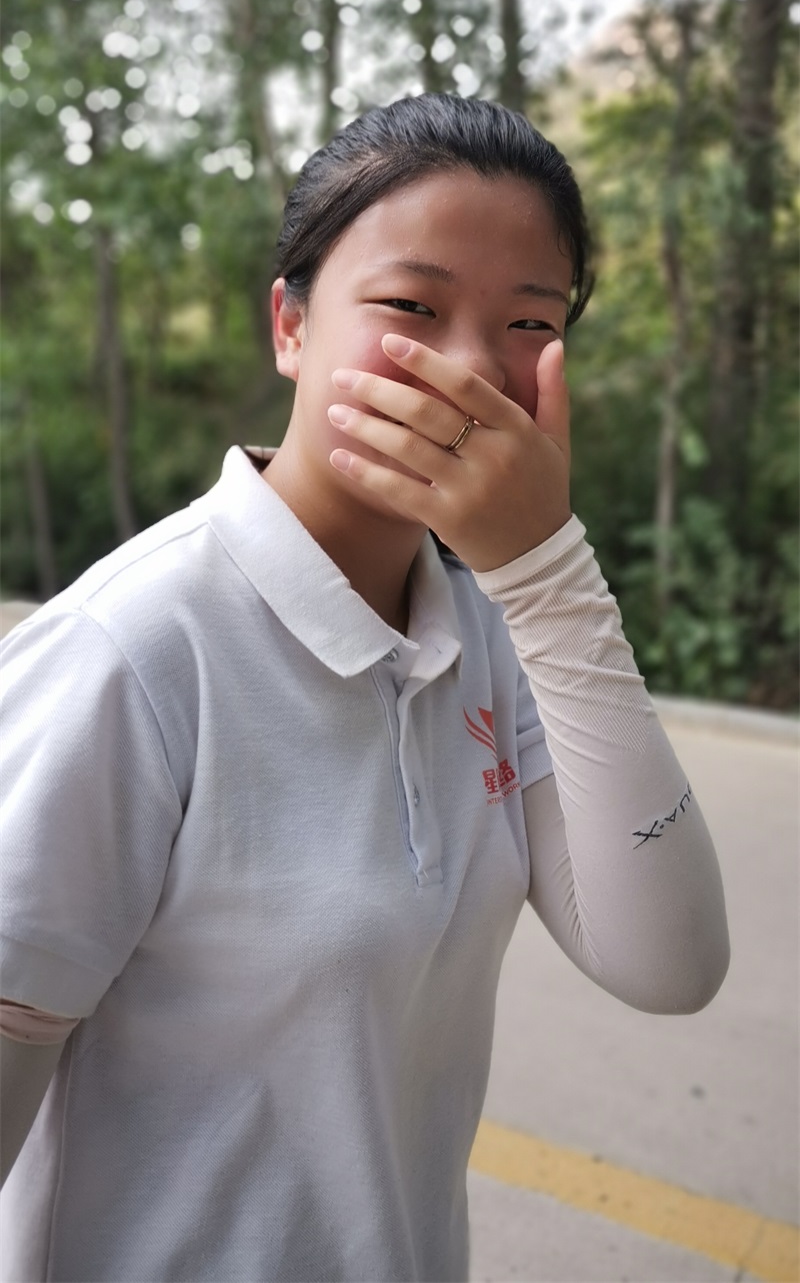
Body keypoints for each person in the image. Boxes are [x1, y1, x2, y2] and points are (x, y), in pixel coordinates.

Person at [0, 94, 729, 1283]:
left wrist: (547, 575)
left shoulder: (495, 632)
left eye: (528, 321)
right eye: (411, 307)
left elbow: (668, 960)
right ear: (289, 324)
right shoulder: (129, 653)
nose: (468, 369)